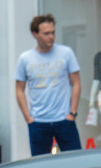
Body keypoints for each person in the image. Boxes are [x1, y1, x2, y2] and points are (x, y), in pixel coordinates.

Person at [14, 13, 82, 156]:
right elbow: (19, 90)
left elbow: (76, 83)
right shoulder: (25, 59)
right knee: (40, 166)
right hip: (38, 122)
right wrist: (28, 118)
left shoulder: (66, 53)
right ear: (35, 34)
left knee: (75, 162)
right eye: (46, 33)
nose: (51, 36)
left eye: (53, 32)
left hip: (64, 120)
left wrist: (72, 113)